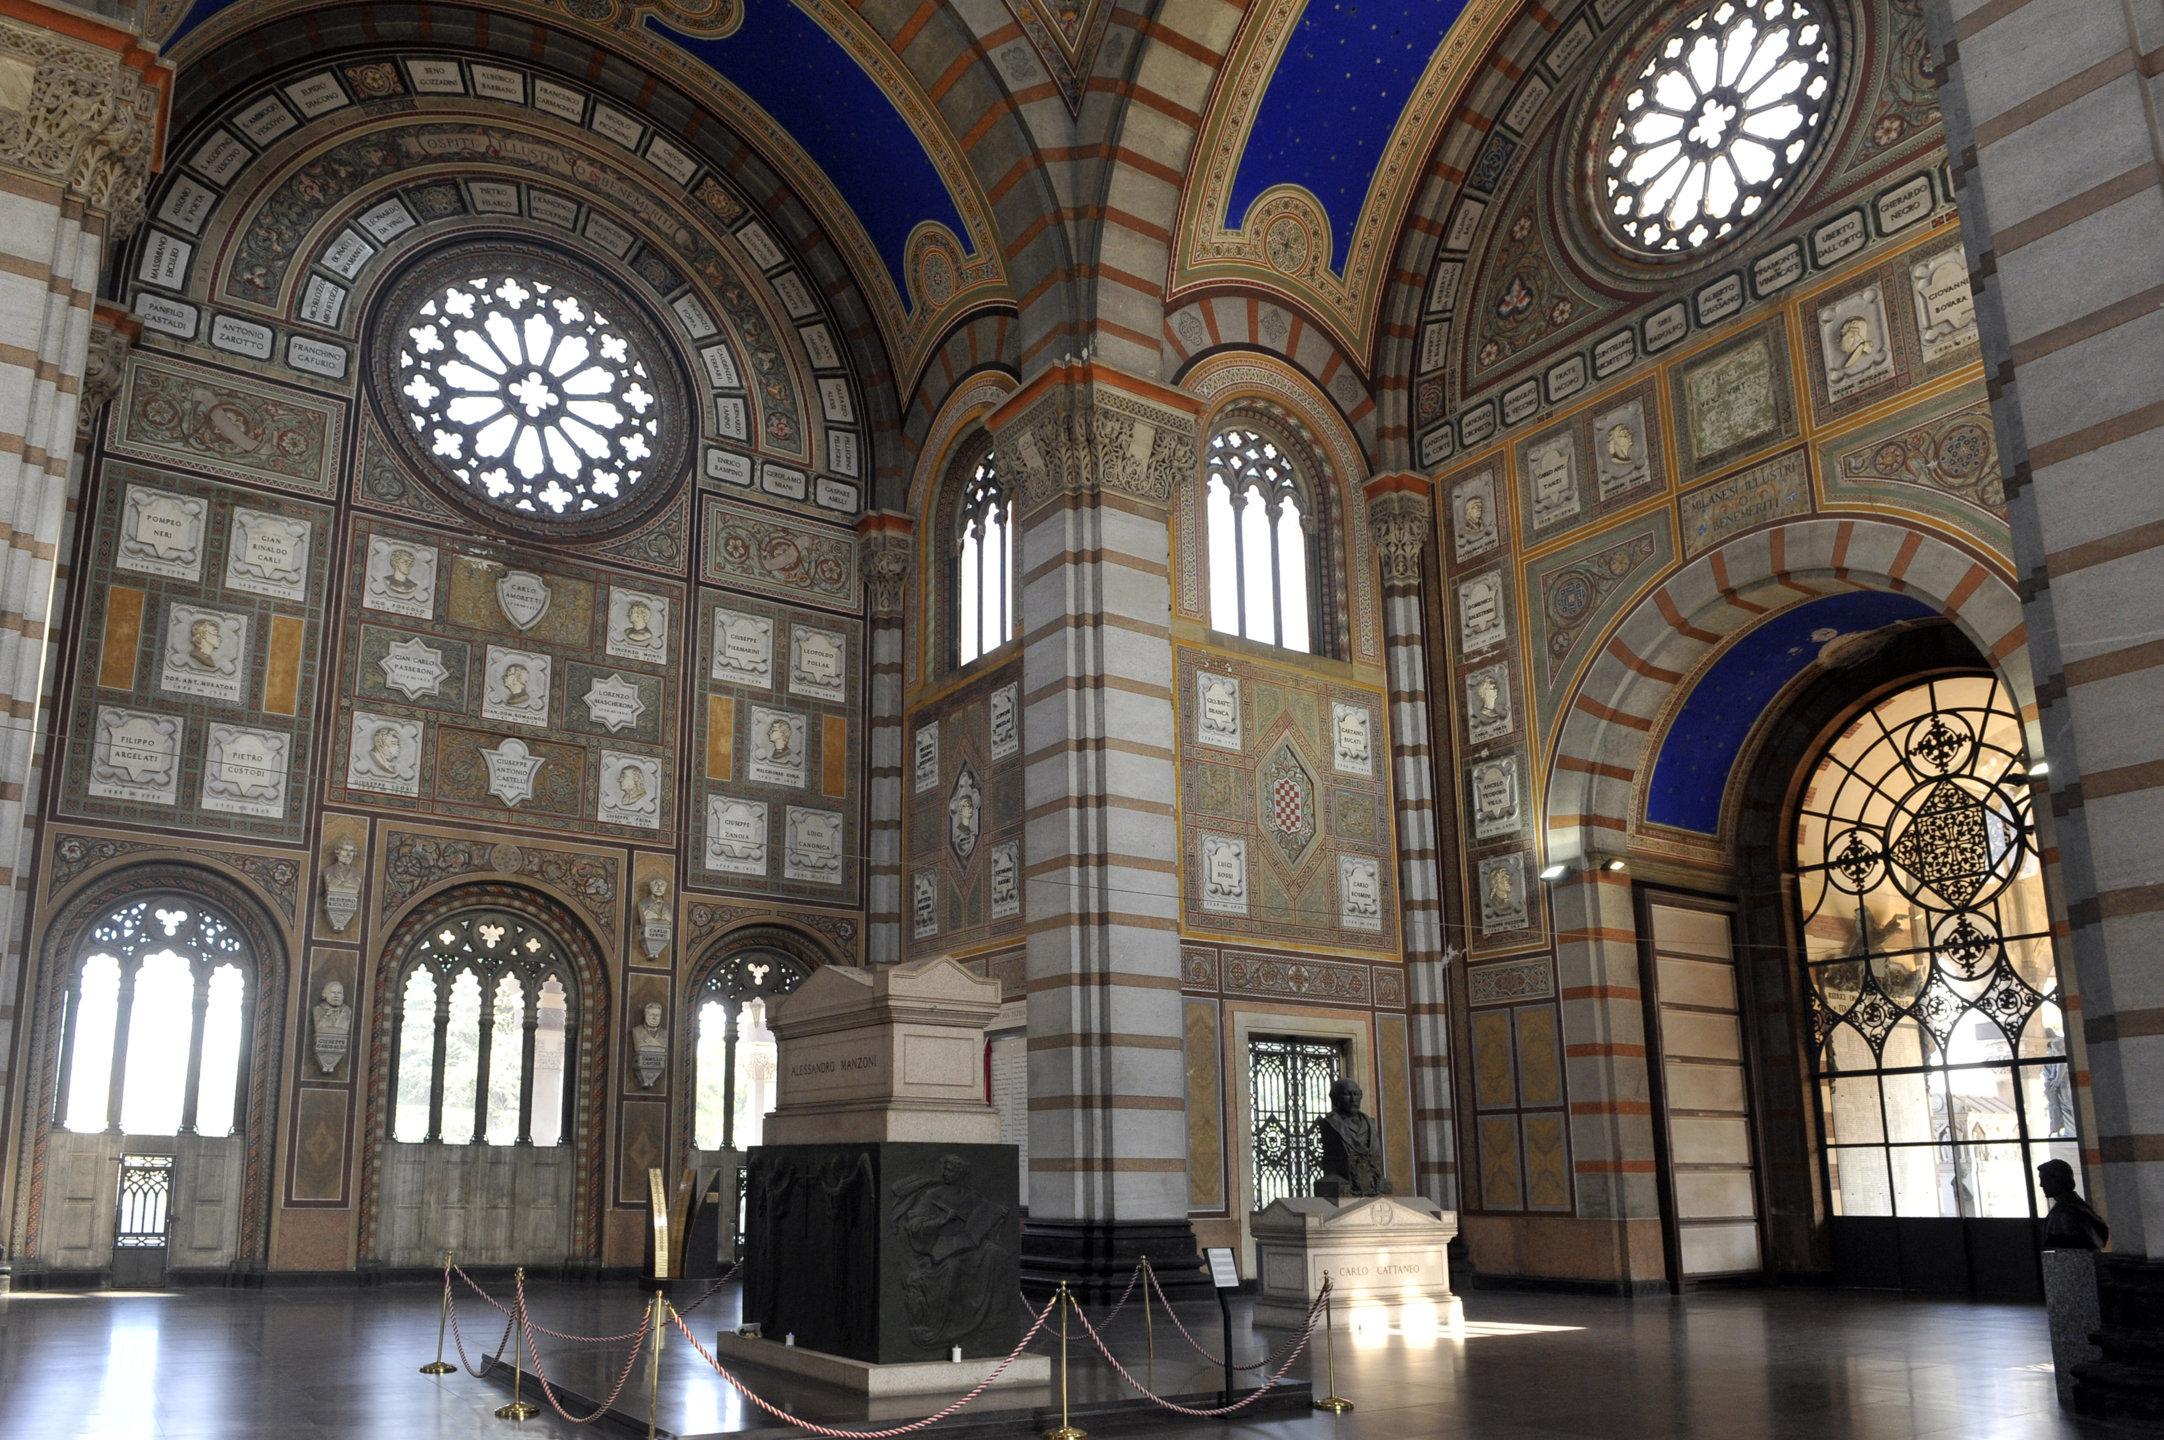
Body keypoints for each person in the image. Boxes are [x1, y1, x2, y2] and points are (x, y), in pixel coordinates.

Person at [1315, 1077, 1390, 1199]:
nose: (1353, 1099)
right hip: (1341, 1178)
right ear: (1336, 1098)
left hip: (1371, 1180)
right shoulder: (1329, 1124)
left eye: (1356, 1094)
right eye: (1347, 1094)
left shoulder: (1370, 1123)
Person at [2038, 1159, 2109, 1251]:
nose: (2041, 1184)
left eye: (2045, 1179)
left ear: (2059, 1180)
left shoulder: (2065, 1213)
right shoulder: (2078, 1206)